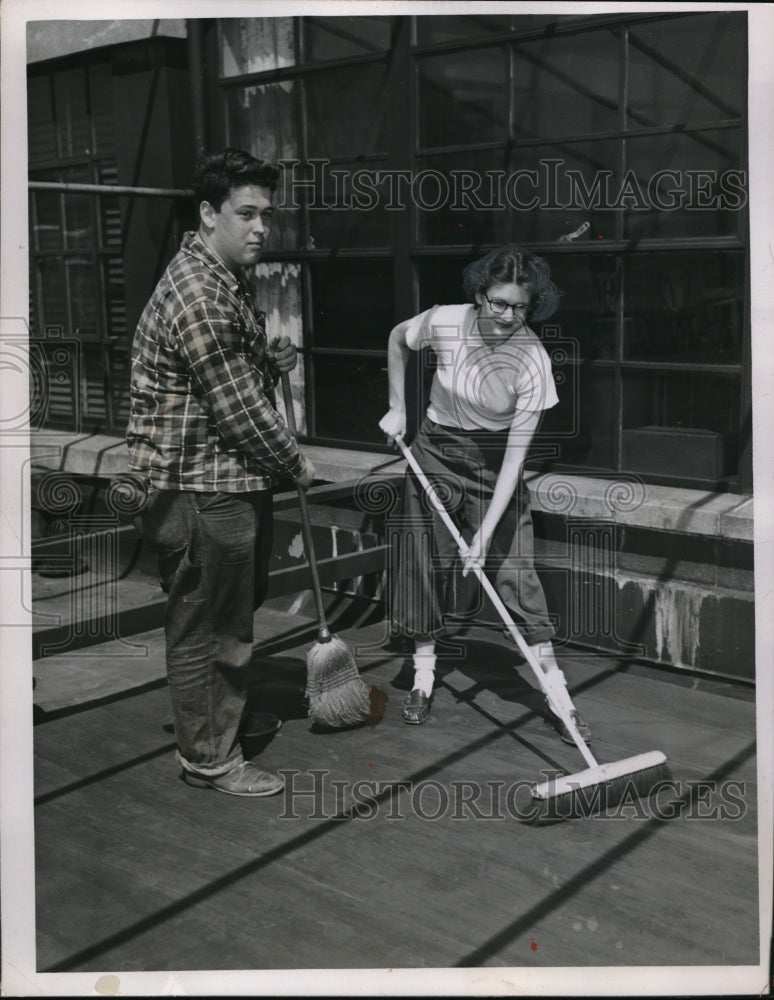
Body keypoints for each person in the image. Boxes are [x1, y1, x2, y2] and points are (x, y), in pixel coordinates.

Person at [127, 148, 315, 796]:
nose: (262, 227)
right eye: (247, 213)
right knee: (213, 629)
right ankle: (210, 757)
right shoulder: (202, 291)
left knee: (223, 620)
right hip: (202, 491)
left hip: (221, 483)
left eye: (267, 213)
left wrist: (270, 357)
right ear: (208, 213)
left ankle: (217, 725)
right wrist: (294, 464)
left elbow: (224, 377)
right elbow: (236, 411)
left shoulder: (219, 277)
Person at [378, 244, 592, 740]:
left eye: (520, 307)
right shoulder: (447, 322)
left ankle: (558, 697)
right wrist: (398, 408)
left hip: (495, 465)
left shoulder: (533, 361)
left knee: (516, 570)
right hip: (435, 449)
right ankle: (424, 675)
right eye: (498, 303)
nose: (508, 316)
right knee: (422, 557)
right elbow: (397, 340)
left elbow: (516, 462)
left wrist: (486, 534)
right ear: (480, 295)